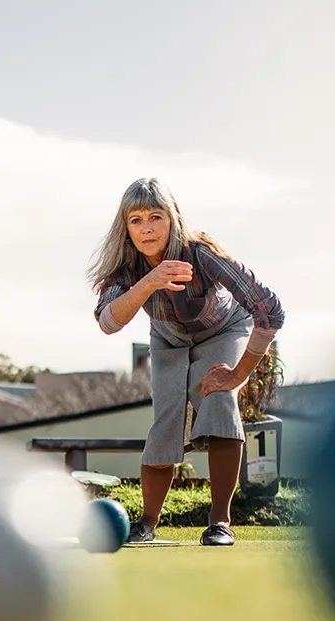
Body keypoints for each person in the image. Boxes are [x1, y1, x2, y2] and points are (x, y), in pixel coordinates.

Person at [88, 177, 285, 546]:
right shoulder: (126, 267)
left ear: (173, 218)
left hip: (223, 330)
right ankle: (146, 524)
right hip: (169, 339)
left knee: (217, 400)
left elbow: (270, 312)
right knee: (165, 421)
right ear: (125, 227)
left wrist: (238, 374)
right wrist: (149, 282)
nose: (146, 228)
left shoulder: (201, 253)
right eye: (136, 220)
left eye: (155, 216)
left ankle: (220, 522)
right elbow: (107, 322)